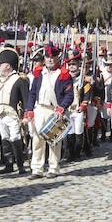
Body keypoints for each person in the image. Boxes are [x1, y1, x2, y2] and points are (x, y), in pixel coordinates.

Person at [26, 45, 72, 178]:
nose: (50, 59)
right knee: (37, 140)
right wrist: (29, 109)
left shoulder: (64, 74)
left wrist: (61, 108)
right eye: (47, 57)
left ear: (58, 57)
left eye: (52, 57)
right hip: (40, 109)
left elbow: (69, 95)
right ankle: (37, 169)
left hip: (54, 110)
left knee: (54, 141)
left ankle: (53, 167)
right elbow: (33, 92)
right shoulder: (39, 73)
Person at [0, 47, 27, 175]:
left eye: (0, 65)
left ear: (7, 66)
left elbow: (25, 98)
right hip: (0, 113)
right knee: (5, 138)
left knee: (15, 138)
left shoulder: (19, 79)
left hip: (13, 114)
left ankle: (20, 165)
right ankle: (8, 164)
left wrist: (27, 114)